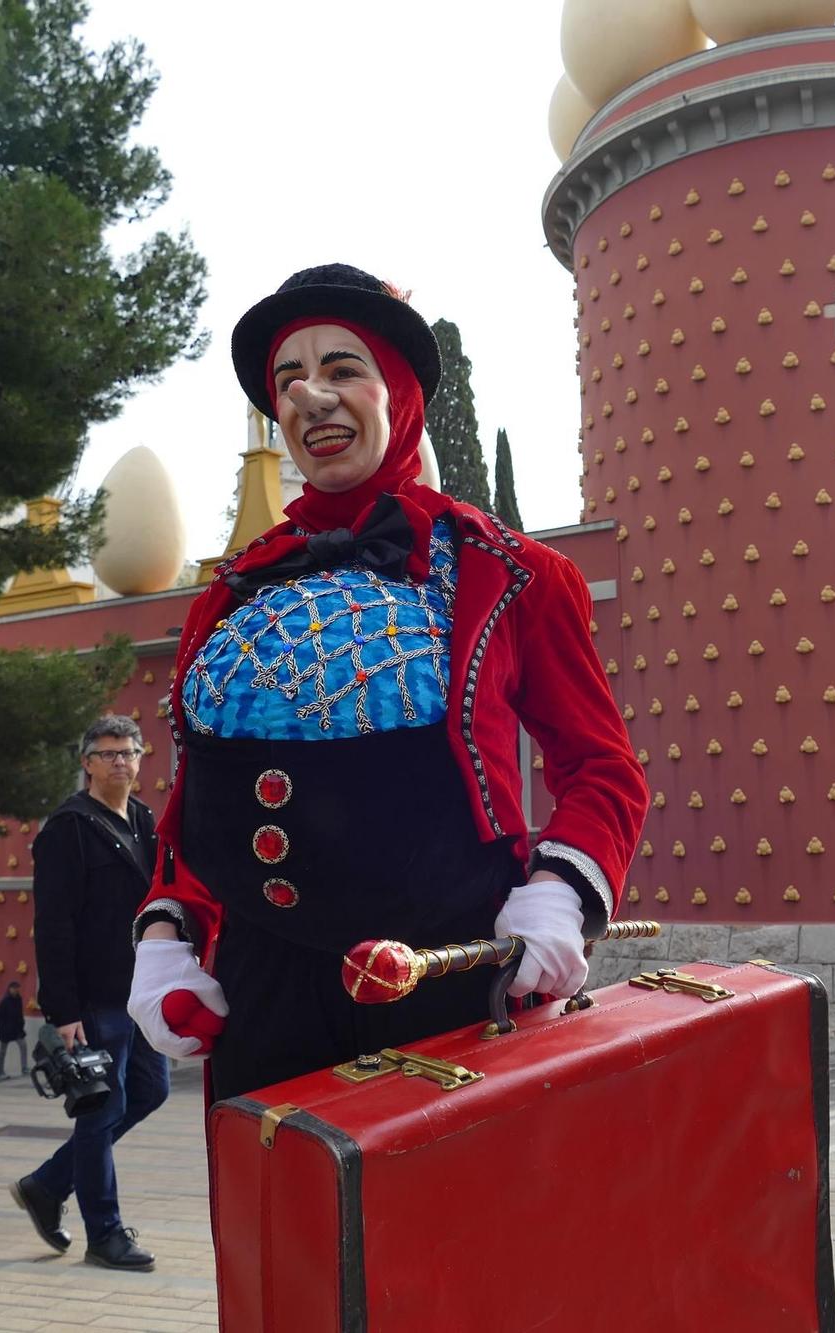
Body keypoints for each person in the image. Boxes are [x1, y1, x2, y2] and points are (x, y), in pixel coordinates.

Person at [126, 264, 647, 1106]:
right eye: (287, 380)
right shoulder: (227, 595)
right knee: (279, 1225)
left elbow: (602, 769)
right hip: (264, 997)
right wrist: (165, 930)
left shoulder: (511, 573)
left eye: (341, 369)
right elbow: (201, 796)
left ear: (398, 391)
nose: (310, 397)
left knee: (453, 1224)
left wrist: (560, 892)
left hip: (449, 978)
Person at [10, 716, 168, 1272]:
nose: (120, 762)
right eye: (108, 754)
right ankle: (104, 1233)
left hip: (139, 992)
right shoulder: (68, 828)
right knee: (102, 1111)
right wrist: (64, 1012)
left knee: (149, 1091)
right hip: (95, 998)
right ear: (87, 763)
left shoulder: (145, 820)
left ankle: (48, 1184)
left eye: (129, 752)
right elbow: (52, 926)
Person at [0, 980, 29, 1080]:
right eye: (14, 988)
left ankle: (24, 1067)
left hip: (17, 1029)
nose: (16, 990)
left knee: (23, 1045)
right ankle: (1, 1072)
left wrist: (22, 1024)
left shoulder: (19, 999)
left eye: (17, 988)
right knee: (3, 1051)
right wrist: (3, 1026)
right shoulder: (5, 1000)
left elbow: (20, 1013)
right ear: (10, 989)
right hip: (6, 1030)